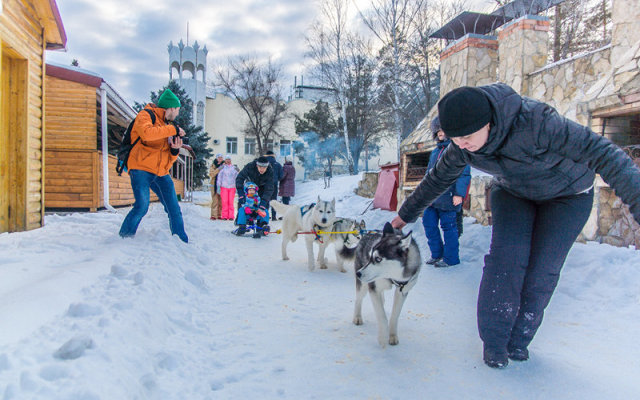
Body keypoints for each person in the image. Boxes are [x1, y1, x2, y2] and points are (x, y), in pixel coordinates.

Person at [391, 83, 640, 369]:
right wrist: (403, 217)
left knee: (542, 270)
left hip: (568, 196)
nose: (461, 145)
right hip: (514, 193)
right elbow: (437, 180)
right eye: (455, 139)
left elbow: (606, 154)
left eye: (467, 137)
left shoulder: (537, 122)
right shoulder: (462, 146)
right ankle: (495, 344)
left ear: (487, 122)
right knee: (505, 261)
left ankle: (519, 340)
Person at [119, 88, 189, 243]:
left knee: (174, 209)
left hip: (161, 172)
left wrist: (174, 150)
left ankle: (182, 242)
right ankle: (124, 238)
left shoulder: (166, 125)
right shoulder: (145, 115)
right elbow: (146, 133)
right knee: (142, 206)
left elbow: (167, 160)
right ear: (170, 108)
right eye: (177, 110)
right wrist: (174, 129)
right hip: (141, 168)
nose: (177, 114)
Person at [422, 116, 471, 268]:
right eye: (437, 130)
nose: (440, 133)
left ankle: (451, 258)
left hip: (449, 196)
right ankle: (436, 255)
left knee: (449, 228)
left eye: (443, 130)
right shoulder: (435, 152)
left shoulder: (457, 149)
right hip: (432, 198)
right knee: (428, 223)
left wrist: (459, 194)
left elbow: (464, 173)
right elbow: (429, 173)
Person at [236, 155, 275, 230]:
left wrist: (263, 204)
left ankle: (262, 223)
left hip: (263, 187)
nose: (262, 169)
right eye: (260, 167)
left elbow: (269, 189)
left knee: (263, 205)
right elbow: (239, 178)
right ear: (257, 165)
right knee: (244, 202)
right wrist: (241, 194)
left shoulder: (270, 171)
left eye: (264, 167)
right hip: (250, 185)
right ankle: (241, 221)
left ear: (267, 167)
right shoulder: (250, 166)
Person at [217, 155, 239, 220]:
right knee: (224, 202)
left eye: (229, 159)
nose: (228, 161)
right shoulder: (222, 168)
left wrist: (237, 185)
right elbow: (219, 177)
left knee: (231, 202)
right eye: (227, 159)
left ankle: (231, 216)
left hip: (232, 187)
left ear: (231, 160)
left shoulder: (234, 168)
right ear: (225, 160)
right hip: (224, 187)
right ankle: (224, 216)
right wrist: (218, 186)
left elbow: (237, 177)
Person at [265, 150, 284, 220]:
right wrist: (277, 179)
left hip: (265, 184)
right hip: (274, 184)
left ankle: (265, 216)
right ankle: (273, 217)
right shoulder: (277, 164)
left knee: (265, 199)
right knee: (273, 200)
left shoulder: (264, 164)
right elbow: (281, 175)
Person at [209, 153, 224, 220]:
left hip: (222, 185)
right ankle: (213, 215)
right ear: (216, 158)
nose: (220, 159)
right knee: (215, 200)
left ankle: (219, 214)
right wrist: (218, 169)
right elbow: (212, 174)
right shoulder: (213, 165)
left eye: (221, 158)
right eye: (219, 158)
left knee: (221, 201)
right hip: (214, 185)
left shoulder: (224, 165)